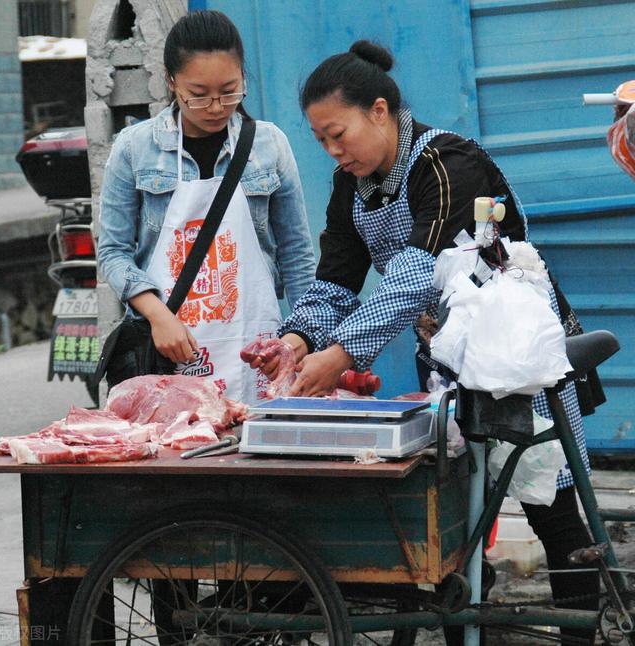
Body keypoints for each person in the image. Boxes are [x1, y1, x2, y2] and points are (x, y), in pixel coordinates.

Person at [255, 40, 599, 645]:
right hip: (448, 358)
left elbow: (418, 272)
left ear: (380, 112)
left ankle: (584, 633)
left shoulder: (447, 163)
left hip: (518, 356)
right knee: (459, 512)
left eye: (339, 134)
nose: (333, 151)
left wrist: (342, 354)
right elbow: (335, 278)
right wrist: (298, 337)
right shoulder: (352, 188)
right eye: (321, 141)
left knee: (551, 504)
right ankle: (473, 633)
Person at [97, 9, 315, 405]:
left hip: (256, 347)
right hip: (168, 347)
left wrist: (301, 341)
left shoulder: (269, 145)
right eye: (198, 94)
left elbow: (298, 255)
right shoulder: (134, 148)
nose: (216, 106)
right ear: (171, 82)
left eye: (230, 90)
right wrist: (158, 315)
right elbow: (112, 252)